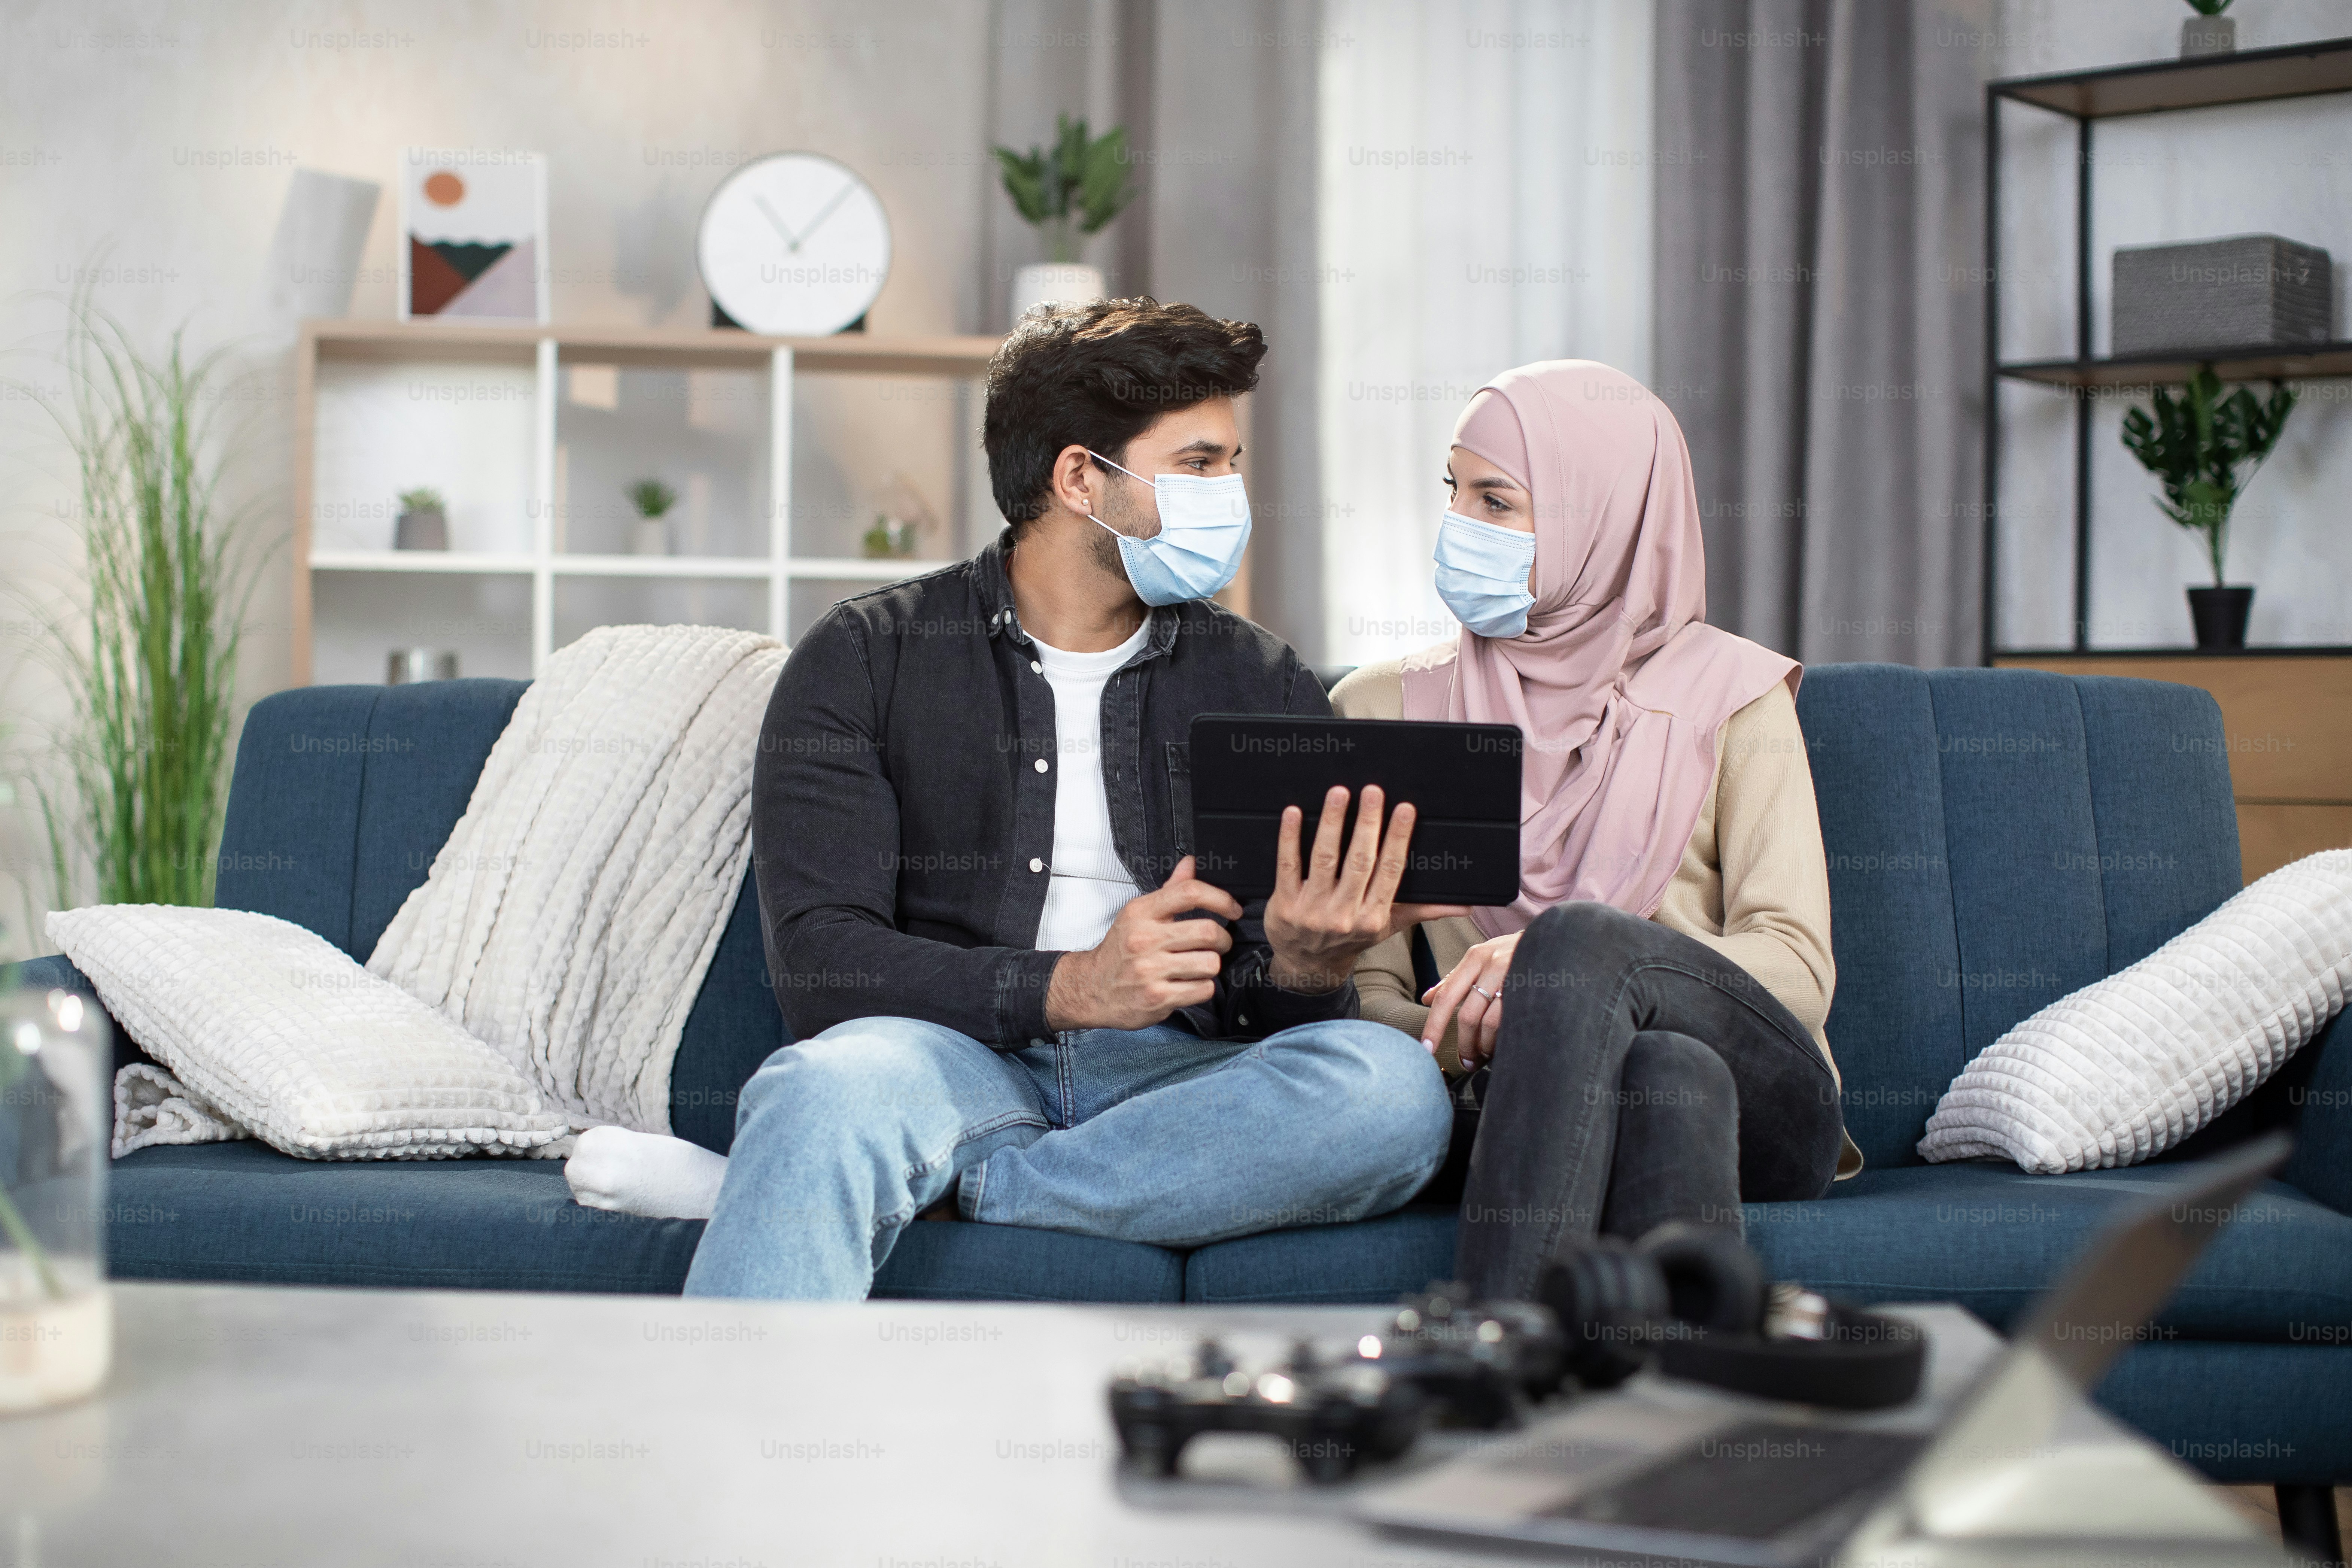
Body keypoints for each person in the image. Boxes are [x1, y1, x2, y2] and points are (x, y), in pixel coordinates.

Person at [588, 298, 1456, 1300]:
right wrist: (1075, 986)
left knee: (1390, 1093)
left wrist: (1307, 966)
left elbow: (1272, 1008)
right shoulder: (868, 654)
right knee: (818, 1092)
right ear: (1081, 477)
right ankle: (745, 1448)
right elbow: (824, 963)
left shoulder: (1260, 679)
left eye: (1233, 463)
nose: (1232, 492)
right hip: (948, 1063)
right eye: (1201, 463)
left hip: (1184, 1081)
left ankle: (959, 1191)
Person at [1329, 359, 1859, 1303]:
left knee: (1580, 947)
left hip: (1769, 1109)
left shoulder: (1735, 696)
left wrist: (1562, 965)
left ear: (1602, 515)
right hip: (1515, 1101)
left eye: (1497, 501)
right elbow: (1364, 996)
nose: (1460, 526)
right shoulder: (1380, 709)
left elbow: (1799, 973)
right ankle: (1671, 1400)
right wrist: (1523, 1030)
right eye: (1453, 492)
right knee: (1666, 1071)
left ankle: (1495, 1338)